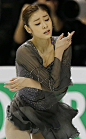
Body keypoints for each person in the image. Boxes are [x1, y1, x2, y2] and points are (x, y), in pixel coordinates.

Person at [4, 4, 79, 139]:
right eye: (38, 23)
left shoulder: (63, 45)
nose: (45, 25)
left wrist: (29, 82)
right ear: (28, 29)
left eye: (47, 19)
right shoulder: (25, 51)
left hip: (48, 113)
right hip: (22, 112)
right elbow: (52, 85)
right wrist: (58, 55)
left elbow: (61, 88)